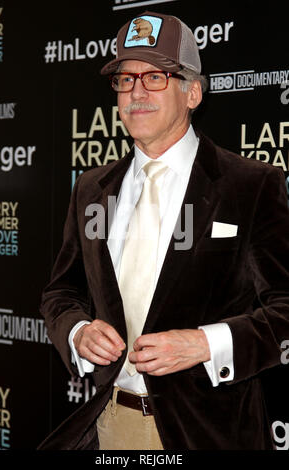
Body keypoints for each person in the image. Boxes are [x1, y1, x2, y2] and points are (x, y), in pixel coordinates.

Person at [38, 11, 289, 450]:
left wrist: (205, 344)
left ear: (192, 91)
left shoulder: (250, 185)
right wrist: (79, 332)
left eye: (155, 77)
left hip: (211, 432)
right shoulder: (92, 189)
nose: (136, 93)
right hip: (111, 424)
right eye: (125, 79)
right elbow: (61, 294)